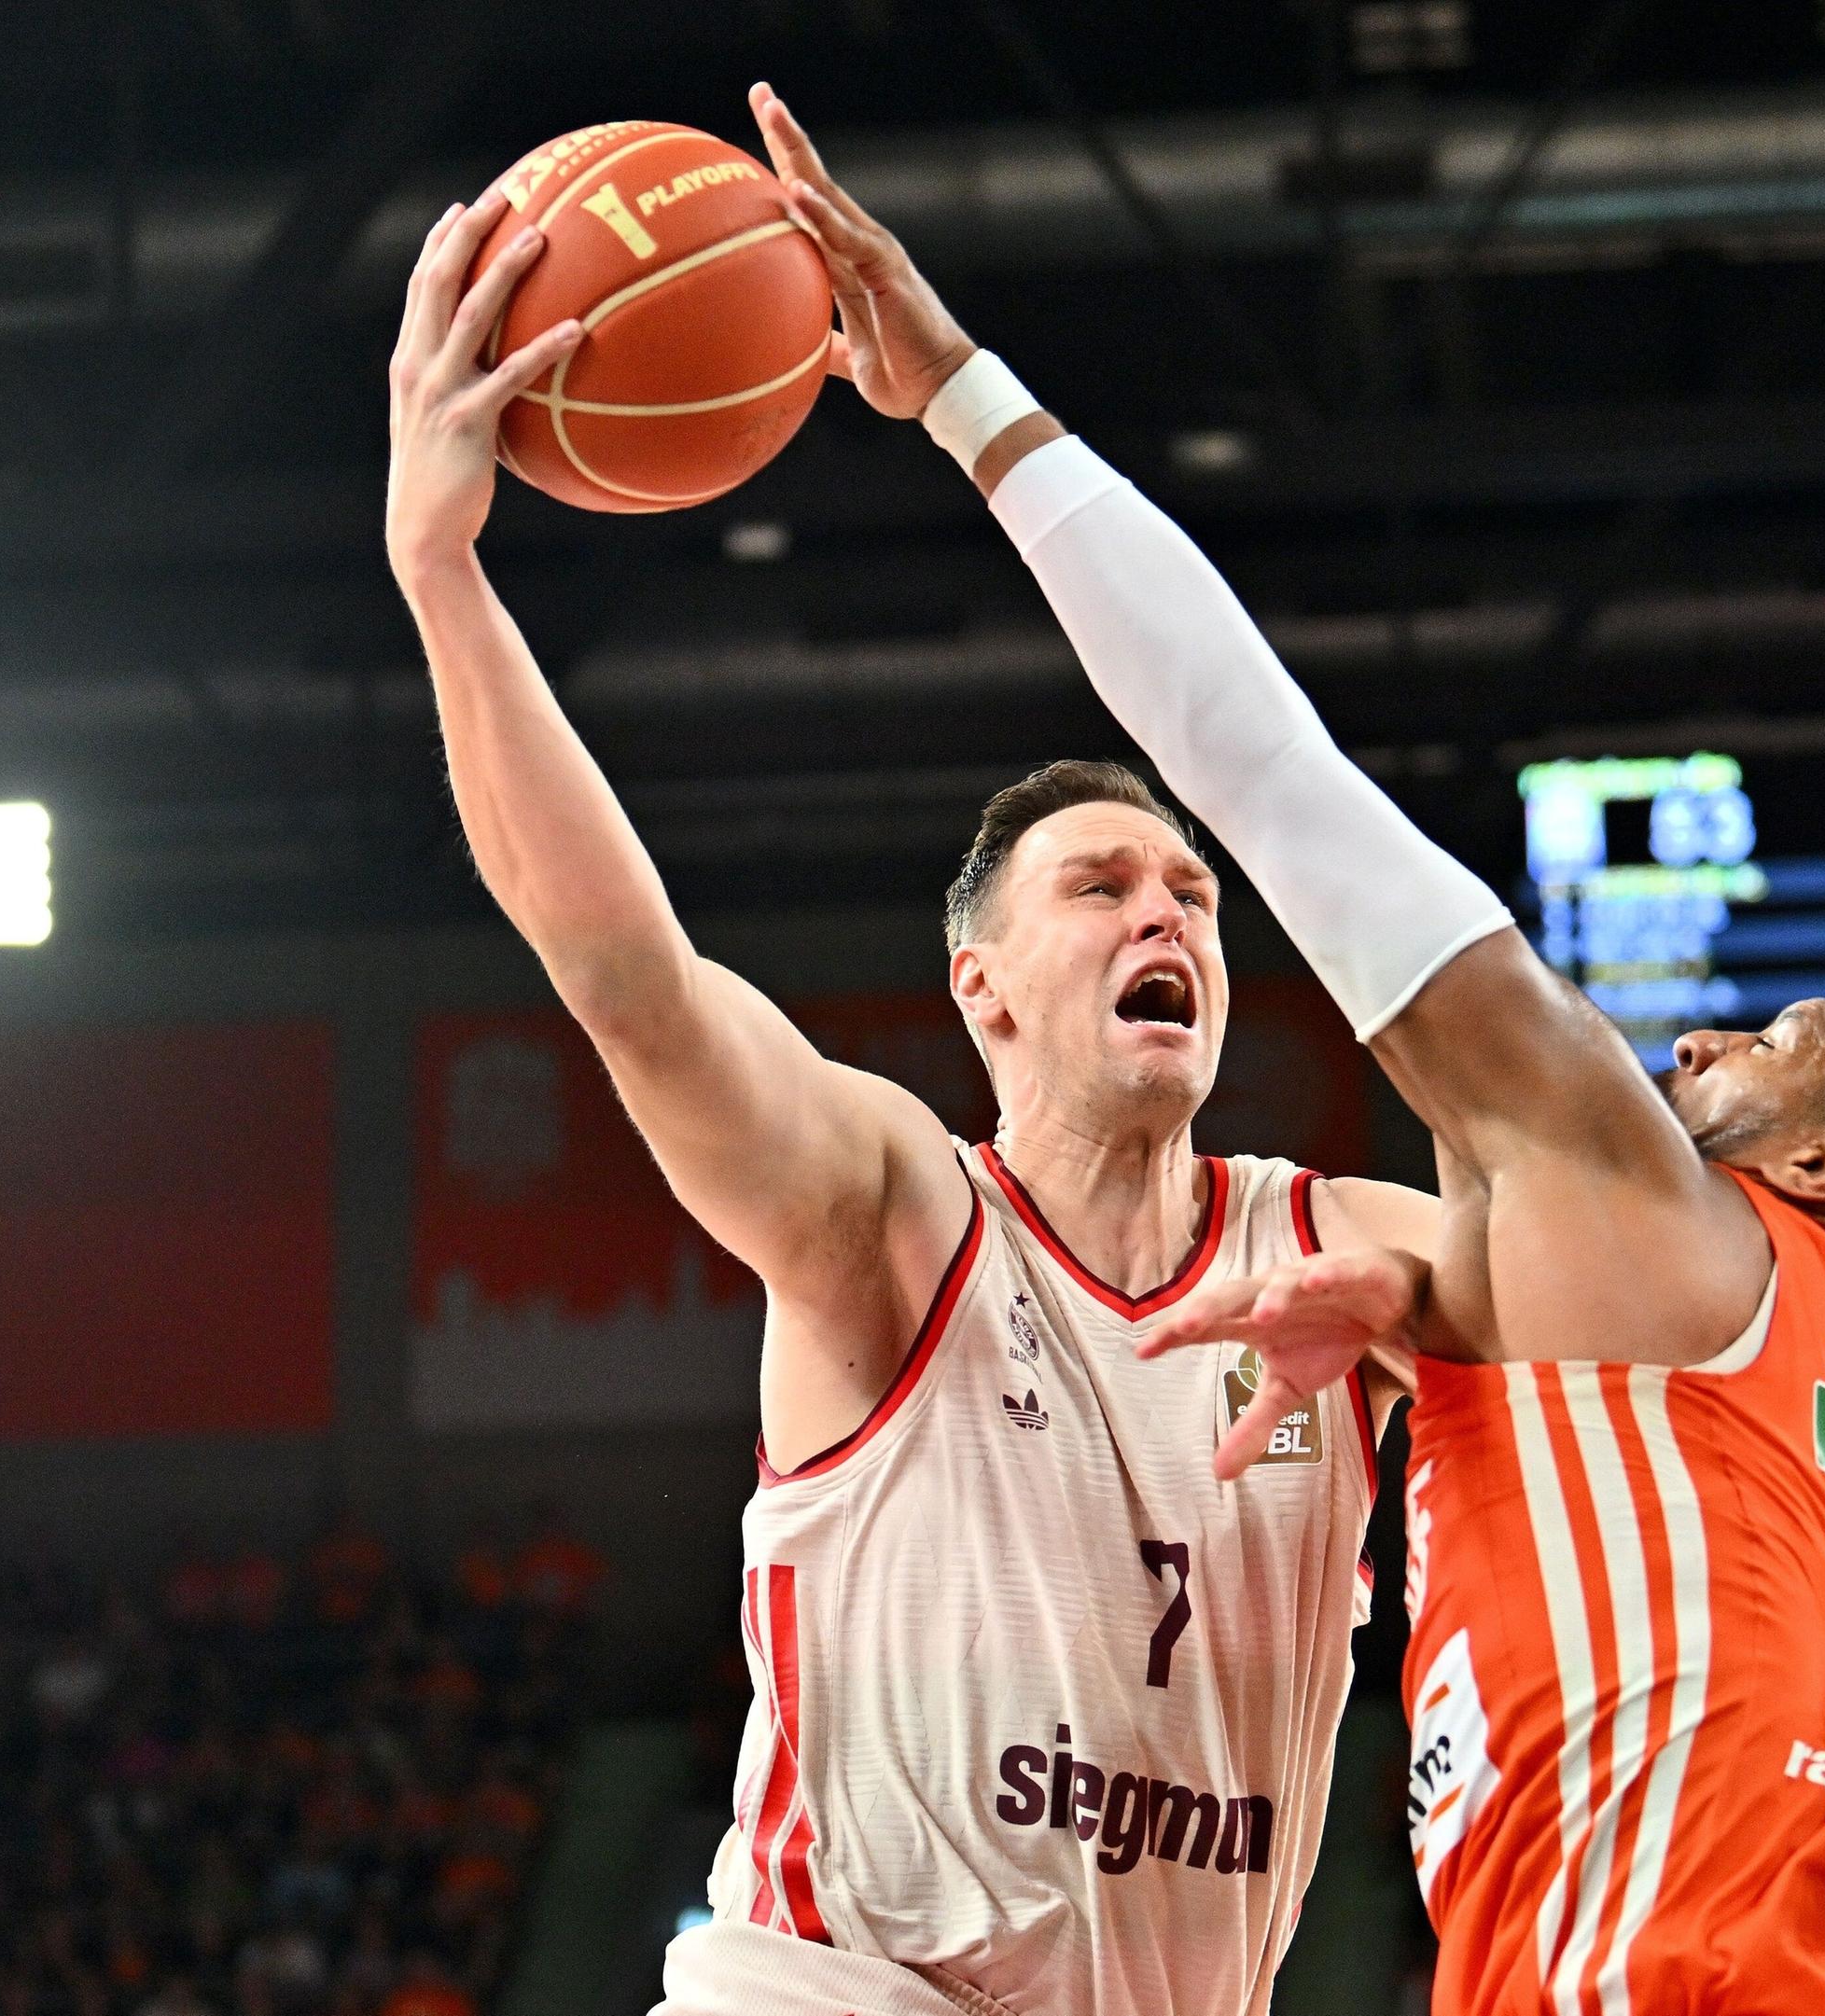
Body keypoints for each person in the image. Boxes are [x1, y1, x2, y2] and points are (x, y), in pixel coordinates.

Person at [749, 84, 1825, 2016]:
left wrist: (967, 406)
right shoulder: (1819, 1473)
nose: (1698, 1036)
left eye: (1775, 1045)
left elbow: (1265, 771)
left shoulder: (1642, 1202)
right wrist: (1422, 1312)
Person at [383, 155, 1449, 2016]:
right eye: (1102, 886)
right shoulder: (898, 1207)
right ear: (985, 987)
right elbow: (630, 986)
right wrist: (444, 574)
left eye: (1191, 890)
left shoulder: (1331, 1249)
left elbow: (1616, 1284)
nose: (1164, 910)